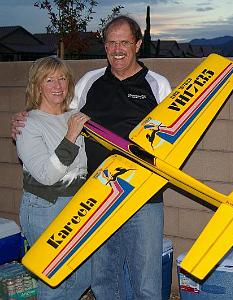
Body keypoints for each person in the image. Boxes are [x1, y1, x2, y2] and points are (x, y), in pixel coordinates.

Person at [12, 15, 172, 300]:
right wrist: (24, 117)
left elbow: (172, 142)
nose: (117, 49)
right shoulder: (90, 81)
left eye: (124, 42)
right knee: (103, 278)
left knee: (146, 280)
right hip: (98, 197)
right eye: (111, 43)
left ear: (138, 44)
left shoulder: (158, 85)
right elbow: (58, 114)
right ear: (105, 46)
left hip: (144, 198)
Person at [15, 56, 91, 299]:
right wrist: (70, 136)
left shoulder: (75, 115)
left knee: (83, 274)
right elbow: (47, 176)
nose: (58, 86)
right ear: (37, 86)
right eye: (49, 80)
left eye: (62, 79)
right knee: (53, 281)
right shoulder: (29, 124)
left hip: (77, 205)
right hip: (45, 207)